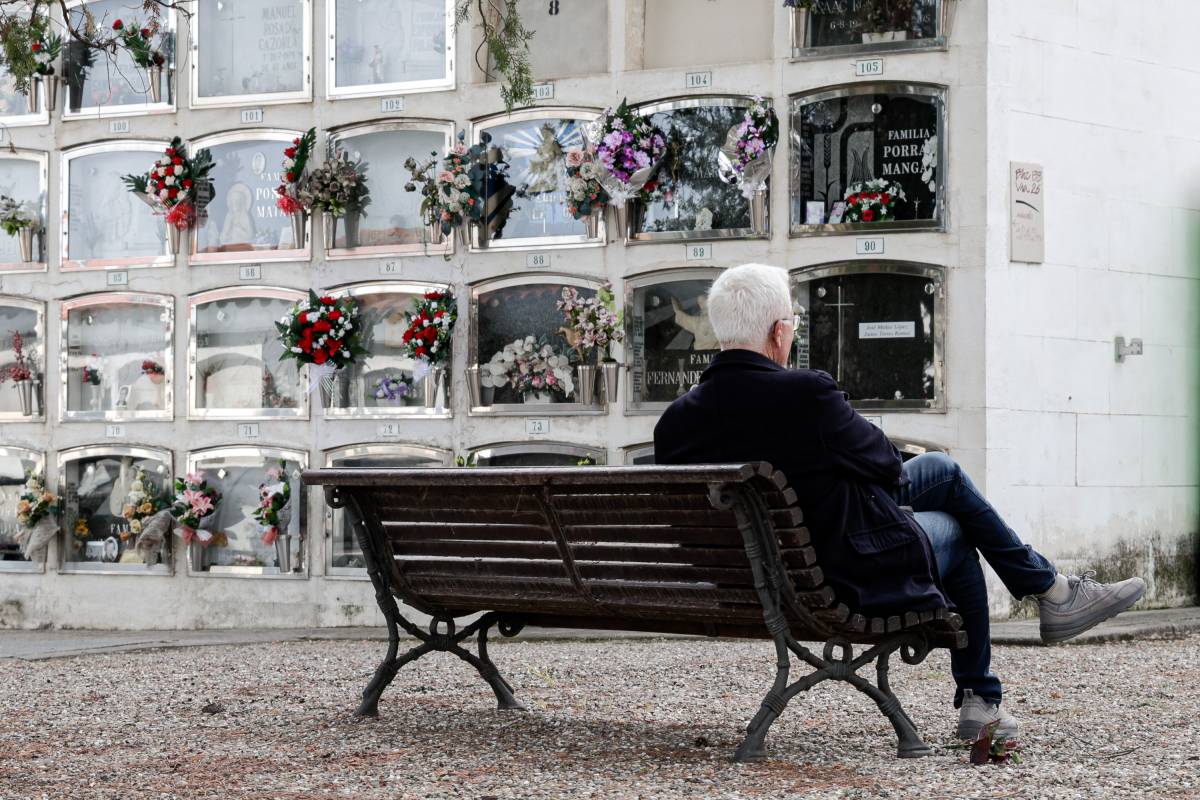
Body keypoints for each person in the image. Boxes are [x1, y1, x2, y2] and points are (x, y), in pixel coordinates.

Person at [653, 263, 1146, 740]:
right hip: (837, 575)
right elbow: (888, 465)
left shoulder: (675, 421)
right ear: (779, 331)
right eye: (794, 325)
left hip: (743, 581)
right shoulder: (806, 395)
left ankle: (1050, 594)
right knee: (958, 528)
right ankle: (994, 677)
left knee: (941, 471)